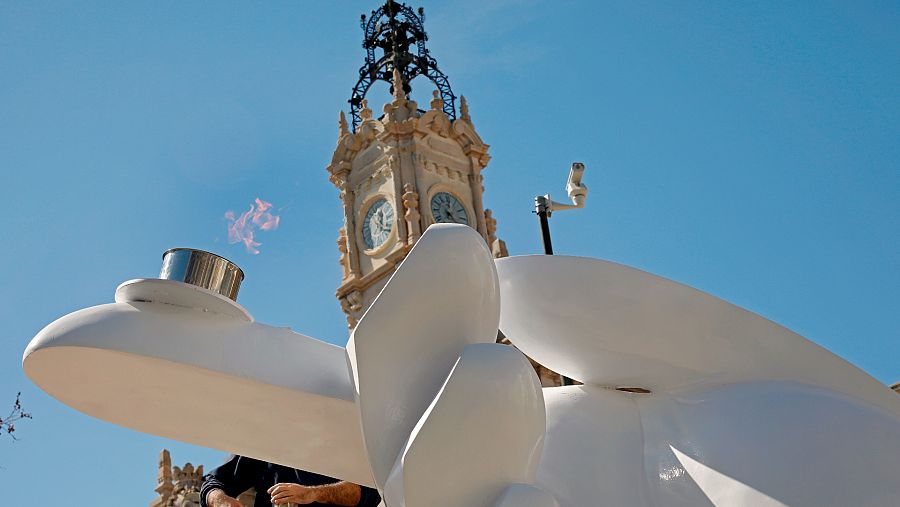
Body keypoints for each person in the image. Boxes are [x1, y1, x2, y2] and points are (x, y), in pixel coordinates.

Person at [200, 455, 381, 507]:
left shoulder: (344, 438)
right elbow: (214, 481)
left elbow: (369, 493)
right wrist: (219, 501)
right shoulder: (267, 445)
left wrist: (312, 493)